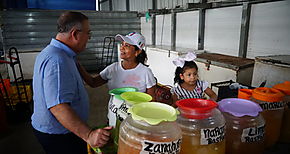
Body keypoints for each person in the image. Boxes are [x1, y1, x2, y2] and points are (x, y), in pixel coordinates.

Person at [31, 11, 112, 154]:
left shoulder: (59, 54)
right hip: (60, 135)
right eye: (88, 34)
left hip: (61, 131)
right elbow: (58, 107)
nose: (89, 39)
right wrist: (89, 135)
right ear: (75, 34)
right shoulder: (57, 60)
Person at [77, 32, 156, 126]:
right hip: (113, 116)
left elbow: (151, 100)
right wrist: (78, 65)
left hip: (135, 121)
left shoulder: (145, 72)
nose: (121, 48)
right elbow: (93, 83)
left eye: (127, 45)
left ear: (137, 52)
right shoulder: (112, 69)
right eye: (122, 44)